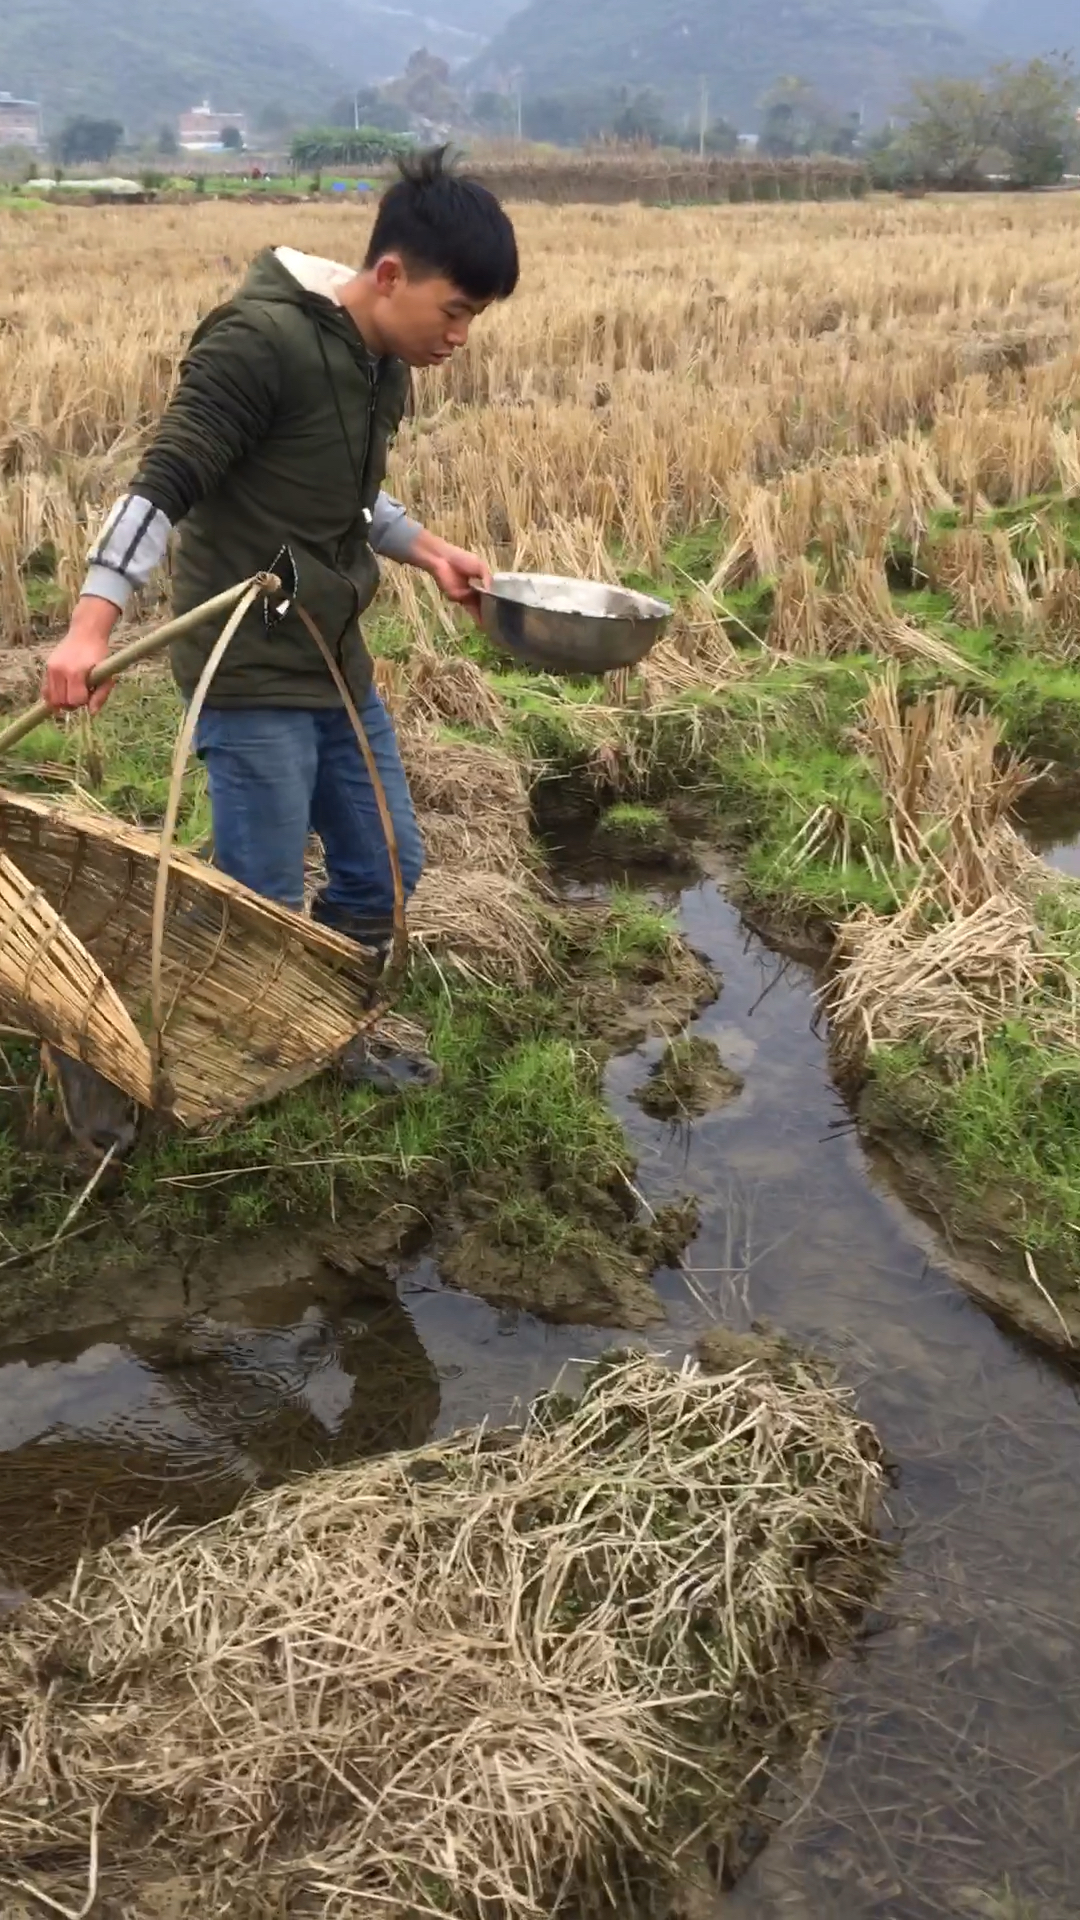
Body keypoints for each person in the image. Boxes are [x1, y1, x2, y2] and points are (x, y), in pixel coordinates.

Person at [43, 147, 519, 1091]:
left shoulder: (382, 365)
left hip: (337, 664)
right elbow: (164, 483)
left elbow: (345, 500)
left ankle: (308, 1035)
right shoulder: (257, 341)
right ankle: (126, 1040)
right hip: (249, 666)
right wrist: (89, 627)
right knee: (253, 901)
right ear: (391, 276)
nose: (461, 334)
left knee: (384, 875)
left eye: (475, 317)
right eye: (456, 310)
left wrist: (429, 550)